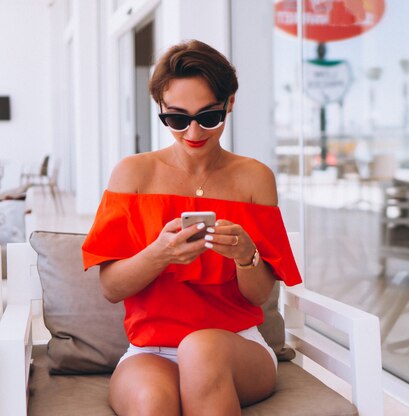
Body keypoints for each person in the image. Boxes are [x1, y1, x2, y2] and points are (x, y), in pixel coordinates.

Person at [82, 40, 302, 416]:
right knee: (152, 403)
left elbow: (258, 296)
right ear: (161, 110)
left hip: (236, 346)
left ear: (229, 102)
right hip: (150, 350)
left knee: (200, 348)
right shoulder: (133, 174)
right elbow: (110, 288)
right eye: (177, 119)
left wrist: (246, 256)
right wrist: (159, 253)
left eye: (209, 116)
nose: (194, 133)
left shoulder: (254, 178)